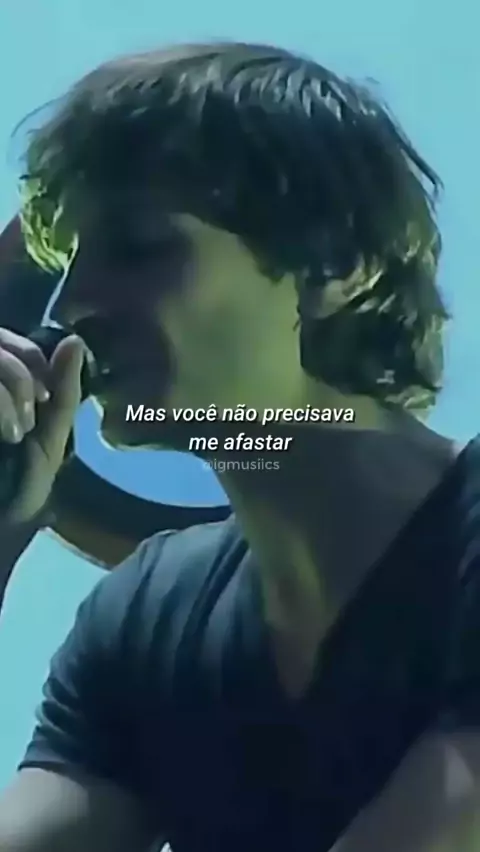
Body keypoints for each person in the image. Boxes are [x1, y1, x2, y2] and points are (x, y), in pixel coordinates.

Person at [0, 40, 479, 852]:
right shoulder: (146, 614)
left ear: (336, 265)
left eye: (138, 246)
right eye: (69, 265)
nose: (72, 306)